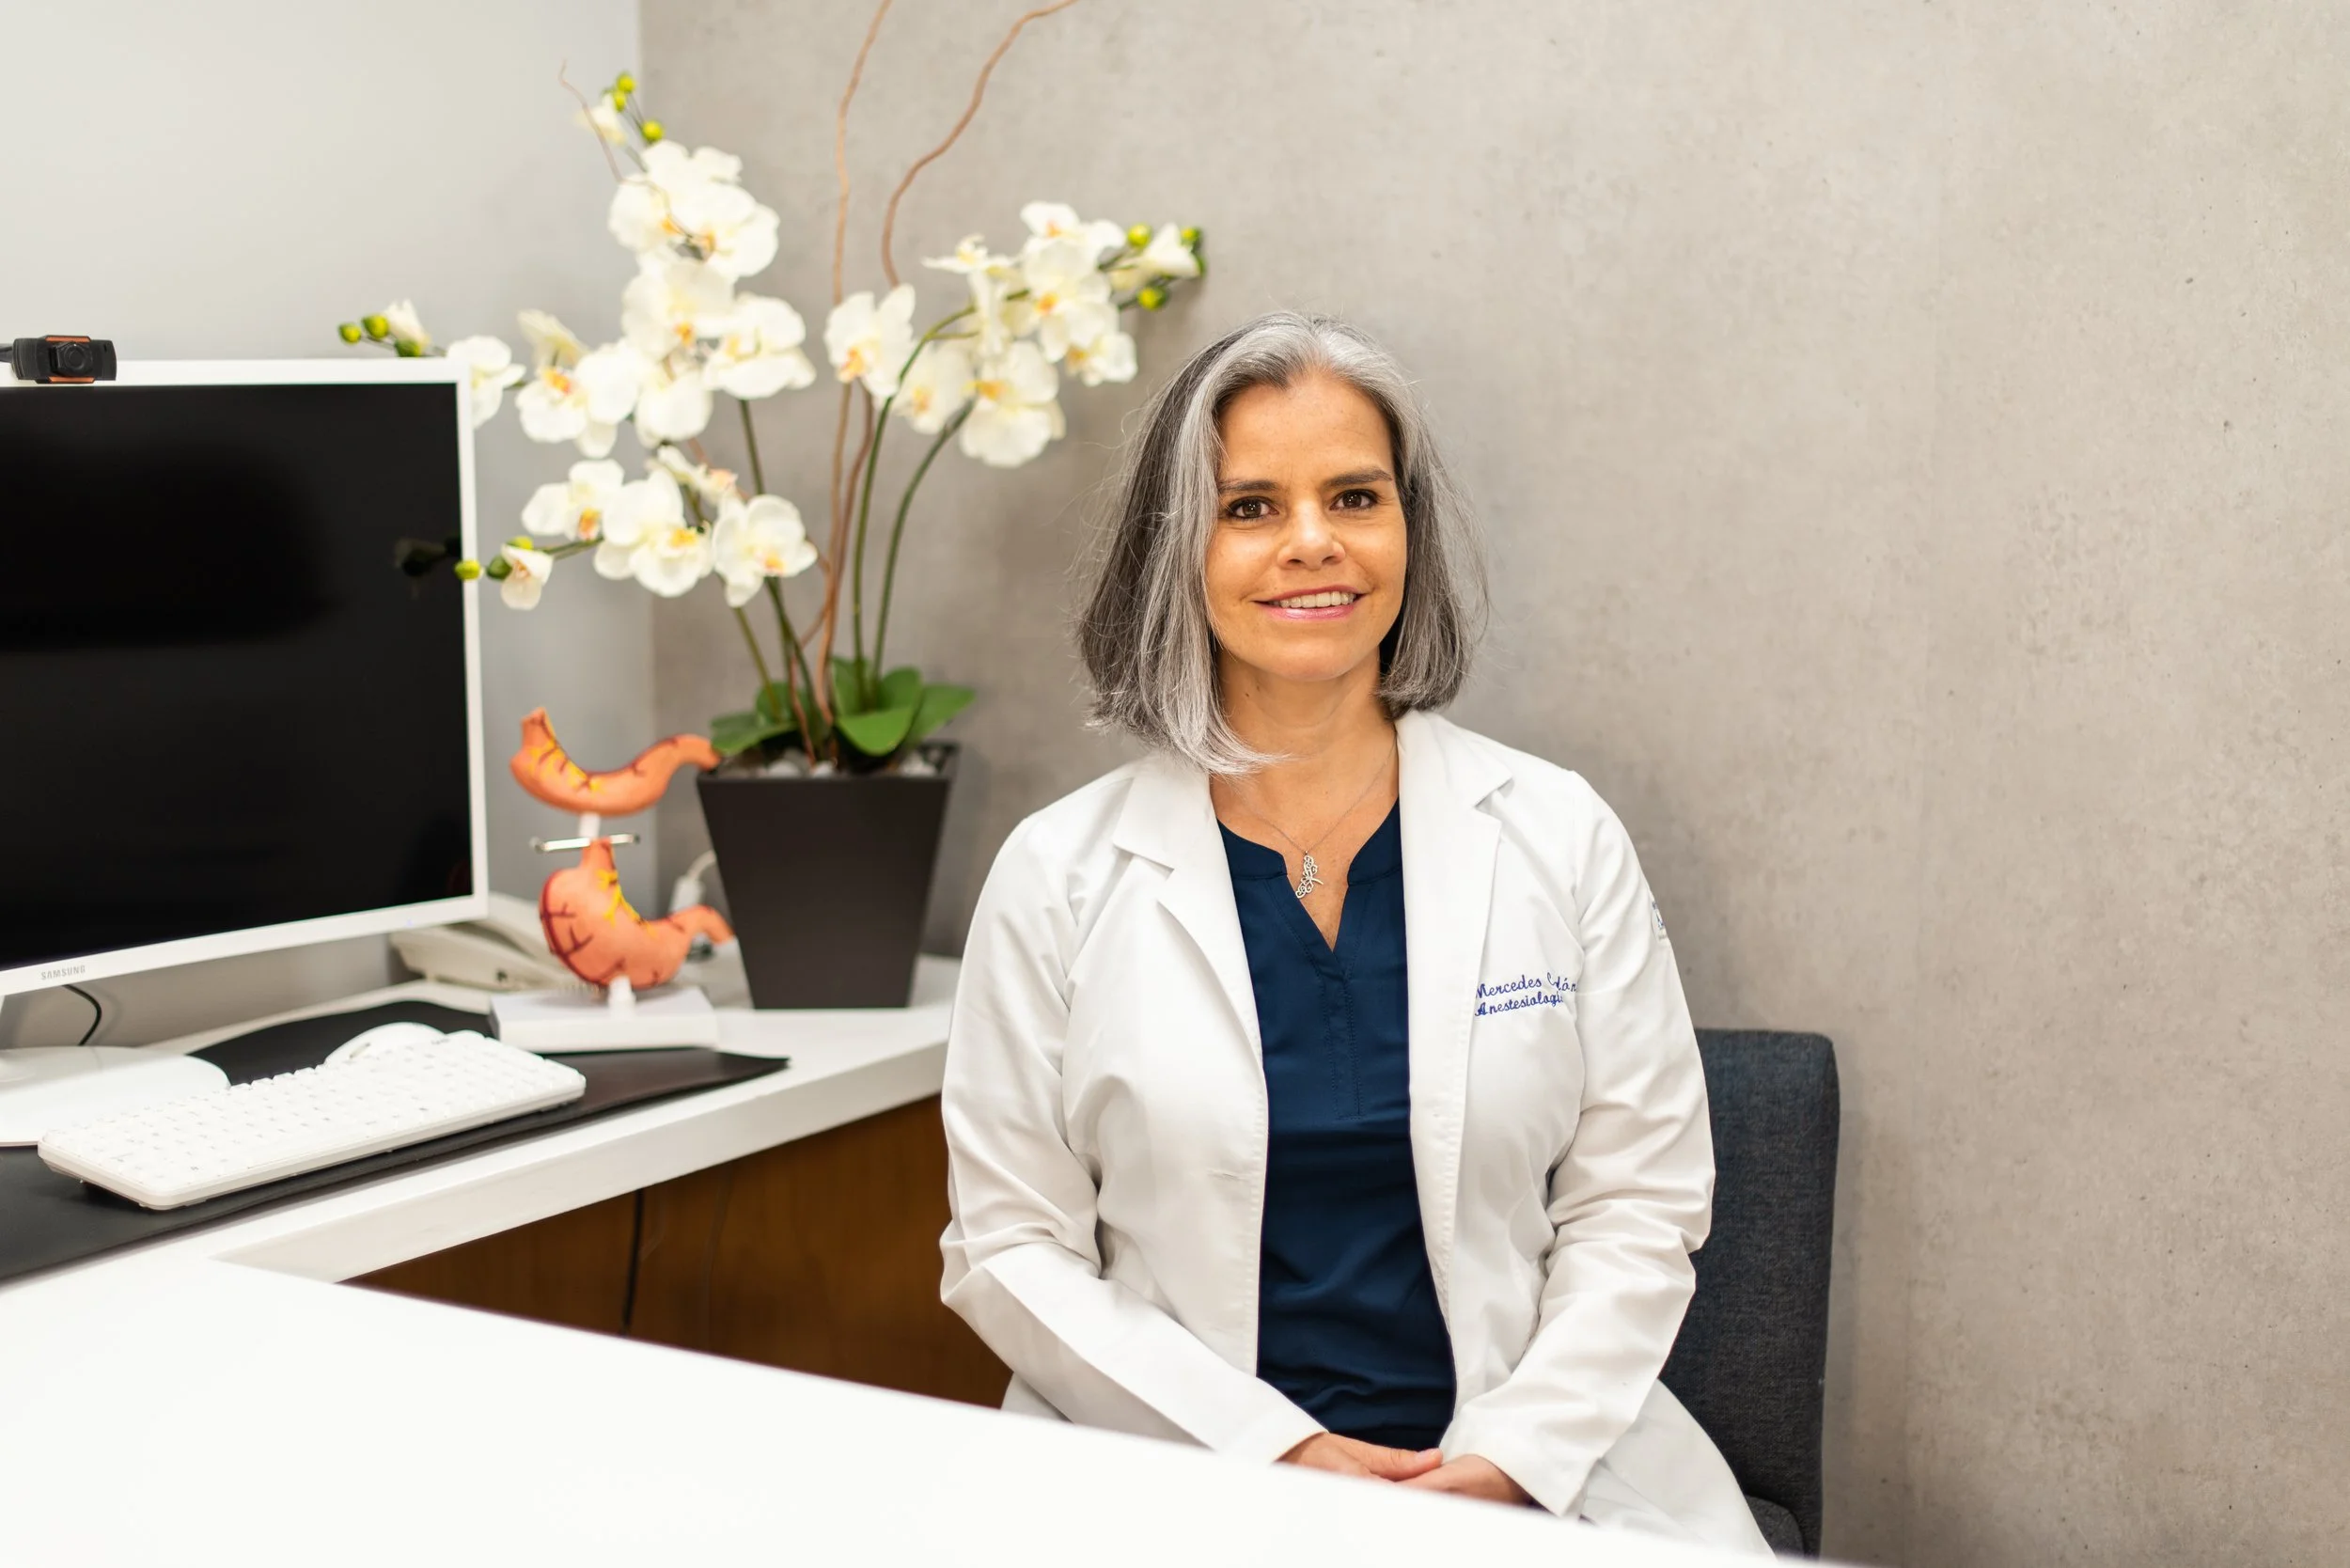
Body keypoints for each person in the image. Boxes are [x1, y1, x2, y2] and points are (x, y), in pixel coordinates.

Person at [937, 310, 1772, 1553]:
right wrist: (1272, 1452)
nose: (1313, 544)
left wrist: (1509, 1458)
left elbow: (1638, 1204)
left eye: (1354, 495)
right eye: (1253, 506)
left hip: (1524, 1468)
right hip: (1170, 1468)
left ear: (1408, 529)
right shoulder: (1058, 874)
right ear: (1179, 550)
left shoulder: (1556, 832)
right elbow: (1010, 1246)